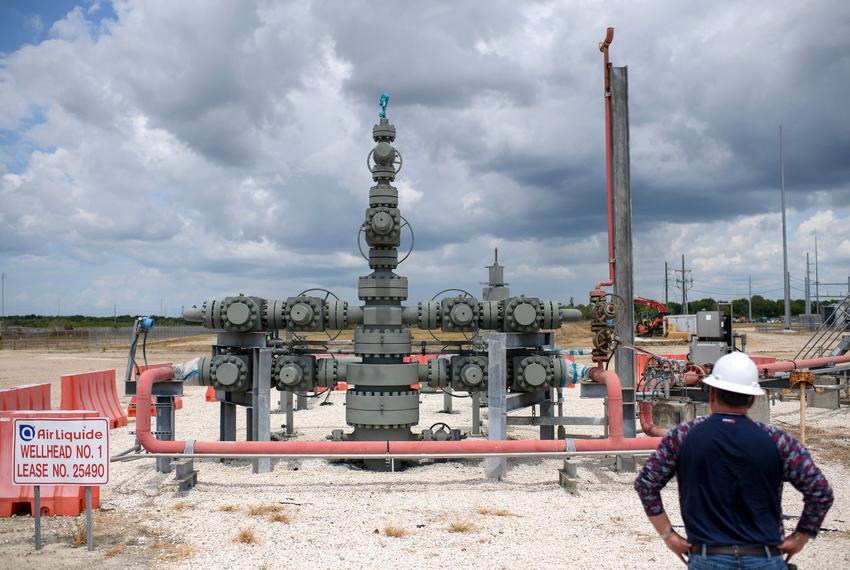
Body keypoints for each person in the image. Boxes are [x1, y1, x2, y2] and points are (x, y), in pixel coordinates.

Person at [634, 351, 834, 569]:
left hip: (707, 557)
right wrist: (801, 536)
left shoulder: (682, 437)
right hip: (764, 557)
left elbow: (646, 484)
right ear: (752, 398)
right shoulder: (778, 441)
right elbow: (820, 491)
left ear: (711, 394)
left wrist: (669, 535)